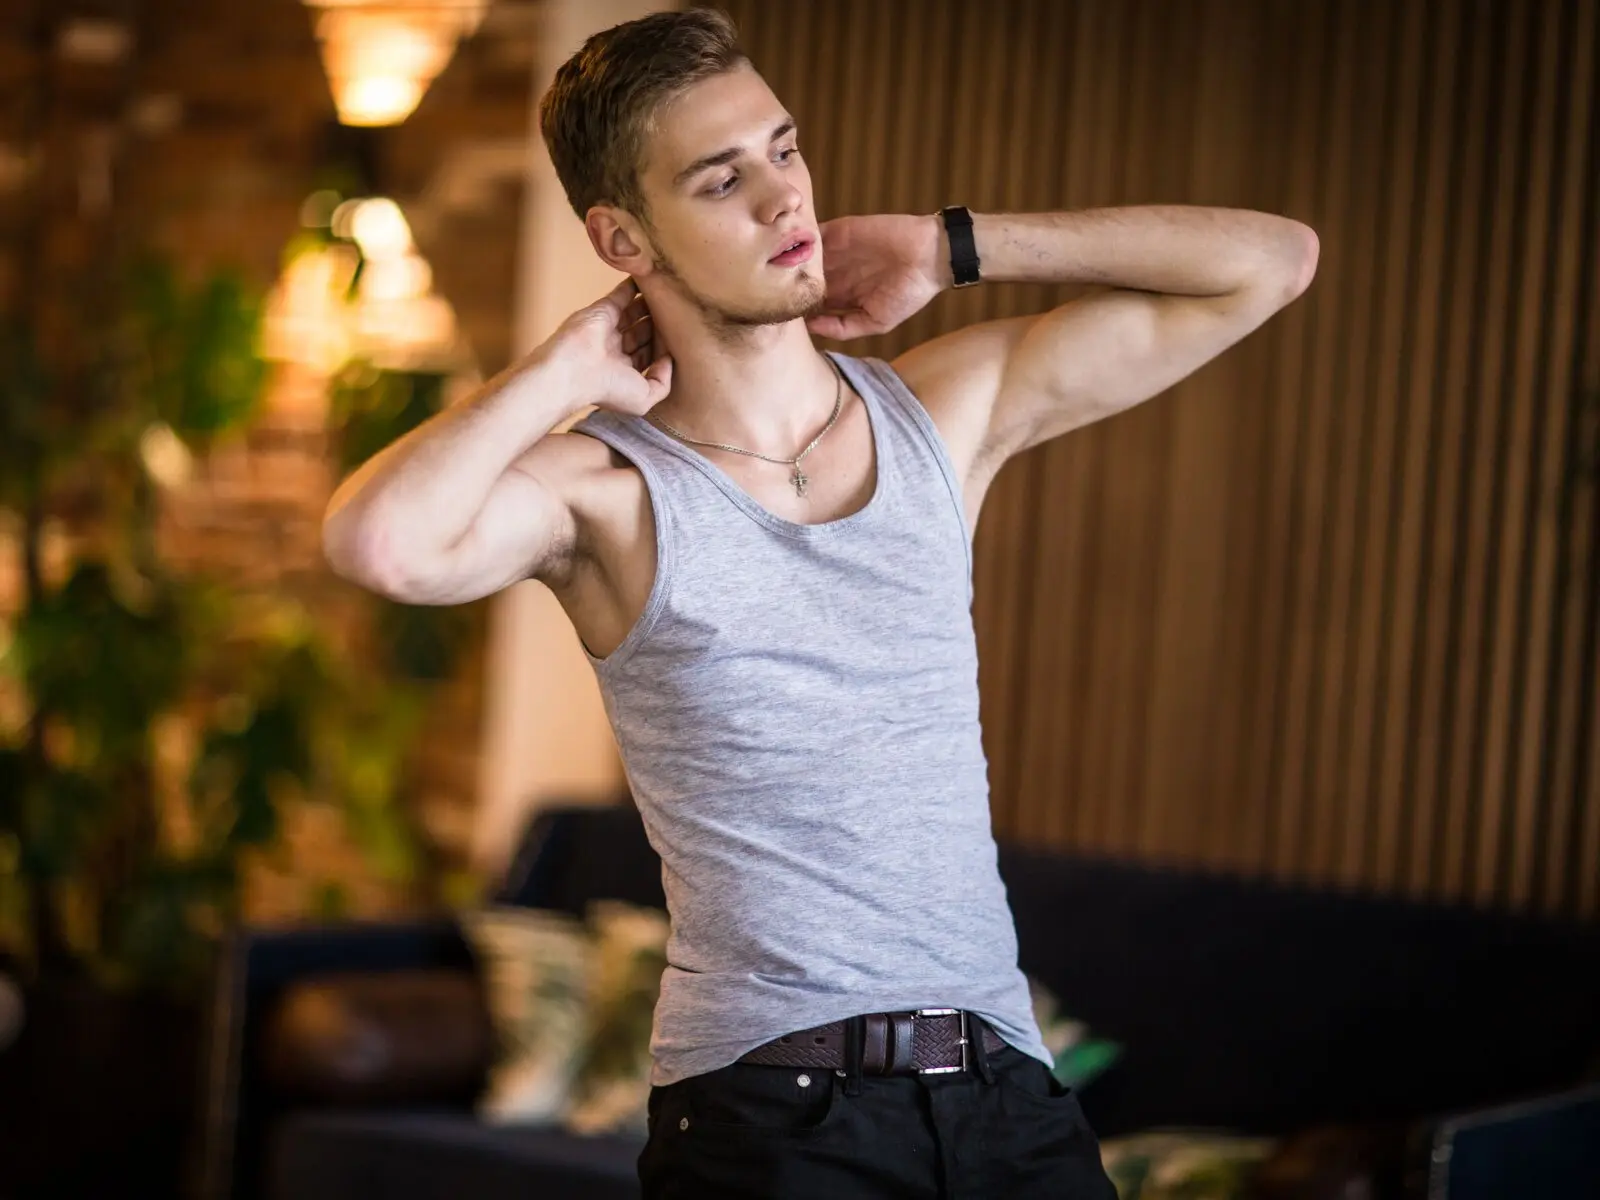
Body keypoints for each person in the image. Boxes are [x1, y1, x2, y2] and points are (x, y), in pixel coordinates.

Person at [322, 9, 1317, 1198]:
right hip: (769, 1116)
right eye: (721, 180)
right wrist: (561, 370)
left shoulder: (941, 413)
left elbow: (1271, 262)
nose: (781, 197)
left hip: (1005, 1098)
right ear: (622, 237)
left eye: (783, 149)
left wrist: (950, 246)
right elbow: (379, 542)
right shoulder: (604, 496)